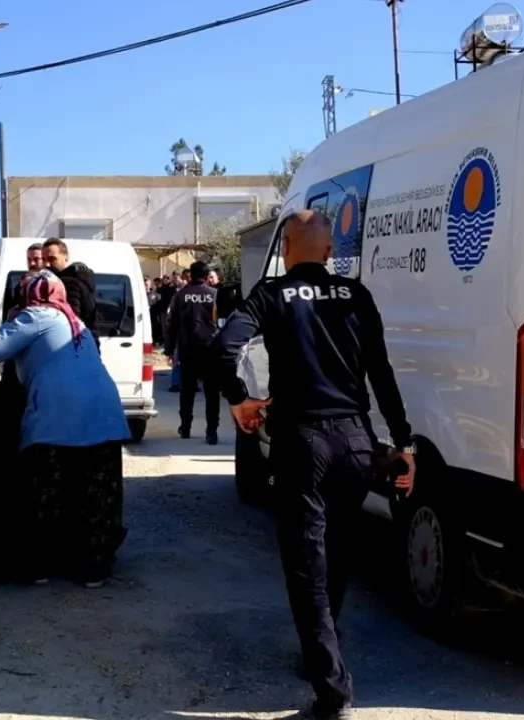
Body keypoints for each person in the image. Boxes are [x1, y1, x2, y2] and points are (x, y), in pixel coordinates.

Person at [212, 210, 416, 720]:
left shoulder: (272, 294)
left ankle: (332, 688)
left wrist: (241, 399)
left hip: (302, 442)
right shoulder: (357, 296)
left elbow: (223, 348)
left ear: (286, 252)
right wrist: (403, 441)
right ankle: (323, 655)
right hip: (354, 442)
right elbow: (382, 374)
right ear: (330, 252)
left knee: (307, 563)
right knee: (340, 550)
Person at [0, 271, 129, 588]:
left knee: (48, 490)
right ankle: (94, 566)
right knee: (96, 491)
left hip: (58, 413)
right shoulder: (75, 322)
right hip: (102, 411)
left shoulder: (37, 315)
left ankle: (42, 565)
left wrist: (12, 319)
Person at [165, 261, 221, 444]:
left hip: (188, 349)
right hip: (210, 348)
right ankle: (211, 431)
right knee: (212, 392)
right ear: (206, 276)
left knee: (187, 391)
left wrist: (169, 350)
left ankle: (186, 427)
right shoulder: (214, 294)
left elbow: (171, 324)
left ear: (190, 275)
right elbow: (222, 322)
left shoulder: (180, 295)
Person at [41, 238, 100, 346]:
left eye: (52, 259)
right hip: (86, 343)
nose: (47, 264)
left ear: (66, 256)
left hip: (74, 346)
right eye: (44, 260)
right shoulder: (77, 279)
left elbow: (69, 321)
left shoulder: (68, 283)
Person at [2, 242, 45, 319]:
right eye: (29, 259)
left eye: (36, 259)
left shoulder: (52, 283)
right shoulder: (22, 283)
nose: (32, 263)